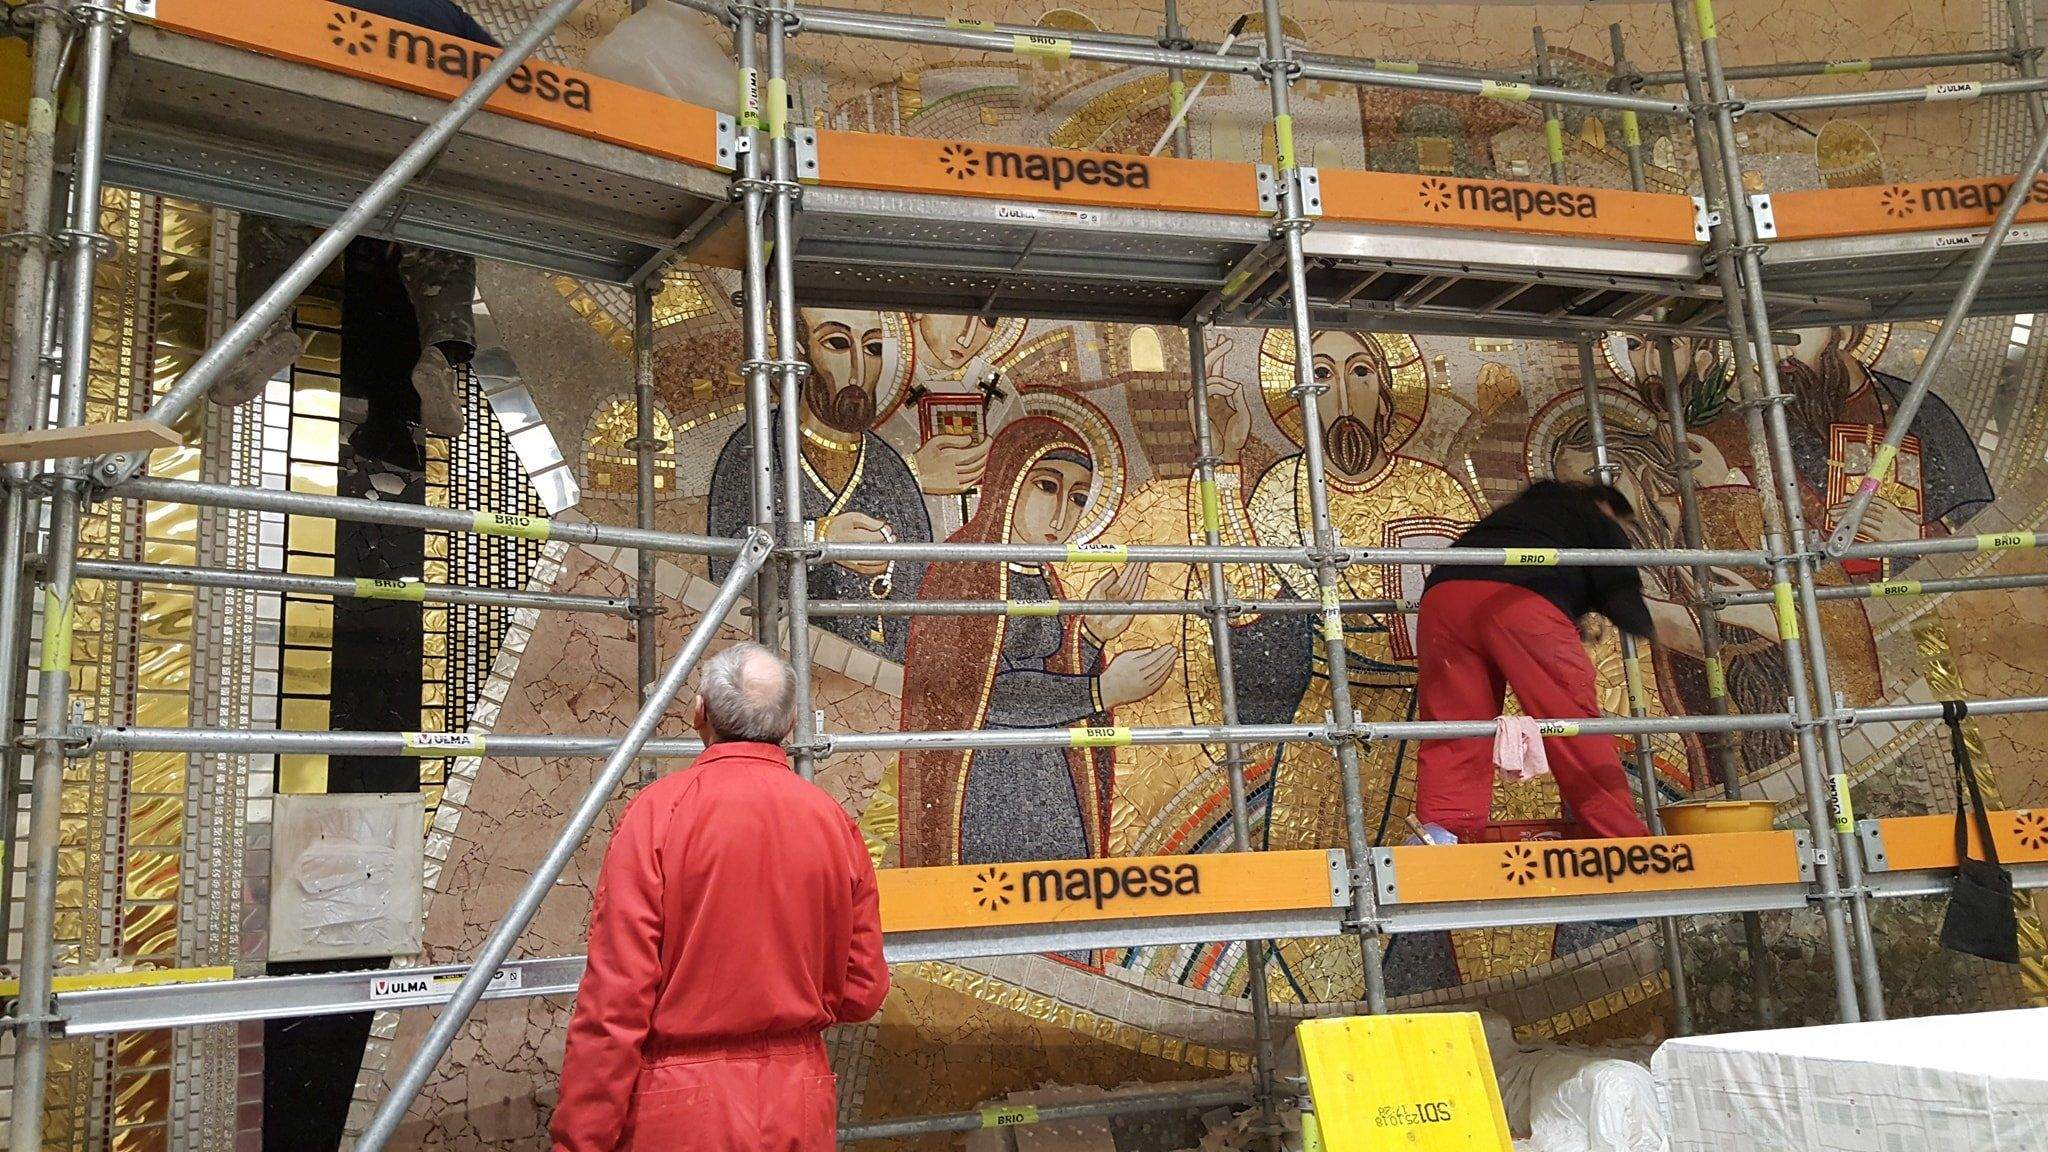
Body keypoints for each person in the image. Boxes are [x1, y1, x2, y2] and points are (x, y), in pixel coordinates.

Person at [552, 643, 888, 1152]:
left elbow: (615, 1002)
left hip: (682, 1108)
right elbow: (864, 990)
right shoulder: (833, 822)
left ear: (698, 713)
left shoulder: (657, 815)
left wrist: (580, 1141)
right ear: (792, 721)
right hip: (800, 1102)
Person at [210, 0, 497, 440]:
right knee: (443, 238)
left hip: (318, 135)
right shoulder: (442, 12)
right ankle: (441, 352)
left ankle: (268, 330)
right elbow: (507, 76)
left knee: (272, 214)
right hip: (420, 147)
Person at [896, 415, 1171, 868]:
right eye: (1046, 487)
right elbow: (982, 692)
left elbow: (1047, 670)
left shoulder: (1043, 578)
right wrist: (1101, 690)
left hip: (1049, 775)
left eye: (1079, 497)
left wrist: (1090, 631)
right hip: (988, 783)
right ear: (1008, 483)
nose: (1062, 514)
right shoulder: (965, 571)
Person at [1414, 481, 1679, 843]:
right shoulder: (1591, 512)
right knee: (1573, 725)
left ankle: (1441, 840)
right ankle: (1622, 841)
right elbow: (1620, 590)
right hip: (1520, 601)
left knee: (1456, 729)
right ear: (1607, 508)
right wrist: (1650, 629)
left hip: (1443, 598)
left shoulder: (1516, 516)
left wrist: (1574, 614)